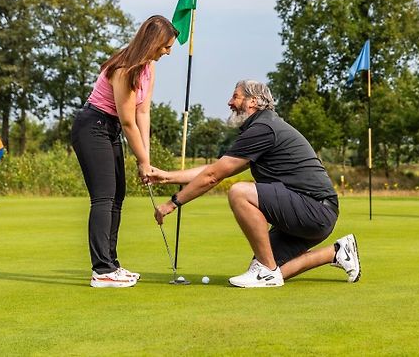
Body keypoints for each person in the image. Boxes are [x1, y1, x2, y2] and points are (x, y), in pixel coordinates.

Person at [150, 80, 360, 288]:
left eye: (235, 96)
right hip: (315, 212)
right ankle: (336, 251)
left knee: (239, 192)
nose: (229, 102)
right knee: (267, 267)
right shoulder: (263, 126)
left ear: (253, 101)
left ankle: (267, 271)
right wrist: (167, 176)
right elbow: (218, 169)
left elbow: (213, 176)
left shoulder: (263, 128)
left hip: (314, 210)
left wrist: (172, 204)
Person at [71, 15, 178, 288]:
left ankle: (112, 265)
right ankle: (101, 270)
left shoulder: (148, 68)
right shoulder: (124, 68)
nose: (167, 52)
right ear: (153, 42)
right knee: (104, 197)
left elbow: (143, 113)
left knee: (118, 195)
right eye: (165, 46)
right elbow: (128, 120)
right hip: (92, 126)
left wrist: (148, 159)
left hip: (110, 128)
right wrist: (141, 161)